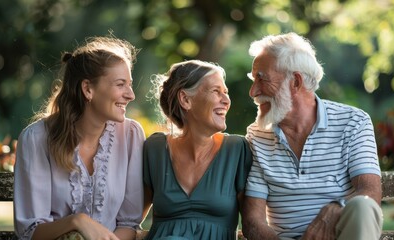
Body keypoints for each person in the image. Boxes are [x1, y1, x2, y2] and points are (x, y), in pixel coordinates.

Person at [241, 32, 383, 240]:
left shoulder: (353, 122)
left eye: (261, 79)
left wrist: (335, 209)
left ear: (295, 82)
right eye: (254, 80)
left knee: (362, 206)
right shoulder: (257, 135)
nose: (253, 92)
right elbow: (253, 221)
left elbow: (370, 191)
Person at [14, 36, 145, 240]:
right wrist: (77, 221)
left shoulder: (131, 136)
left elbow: (128, 223)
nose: (131, 95)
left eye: (130, 84)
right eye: (121, 84)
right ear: (88, 89)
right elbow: (31, 232)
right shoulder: (36, 139)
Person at [143, 60, 253, 240]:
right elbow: (129, 219)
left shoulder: (237, 150)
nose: (226, 101)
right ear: (185, 99)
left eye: (225, 92)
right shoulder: (155, 149)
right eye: (216, 91)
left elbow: (253, 222)